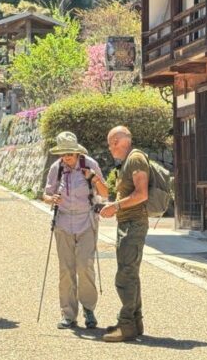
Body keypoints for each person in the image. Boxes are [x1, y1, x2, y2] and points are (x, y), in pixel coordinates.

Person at [42, 132, 109, 330]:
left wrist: (94, 178)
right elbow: (45, 194)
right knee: (66, 269)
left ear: (77, 151)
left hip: (86, 221)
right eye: (63, 154)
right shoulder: (57, 168)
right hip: (63, 223)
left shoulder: (90, 164)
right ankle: (68, 314)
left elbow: (105, 193)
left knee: (84, 266)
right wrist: (51, 199)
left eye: (70, 153)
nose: (67, 157)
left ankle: (89, 310)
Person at [98, 125, 149, 342]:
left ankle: (126, 324)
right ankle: (134, 322)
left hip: (133, 223)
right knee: (131, 274)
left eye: (112, 143)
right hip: (129, 222)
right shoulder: (130, 160)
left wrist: (116, 207)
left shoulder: (135, 159)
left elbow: (141, 194)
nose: (110, 149)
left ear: (120, 141)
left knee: (125, 275)